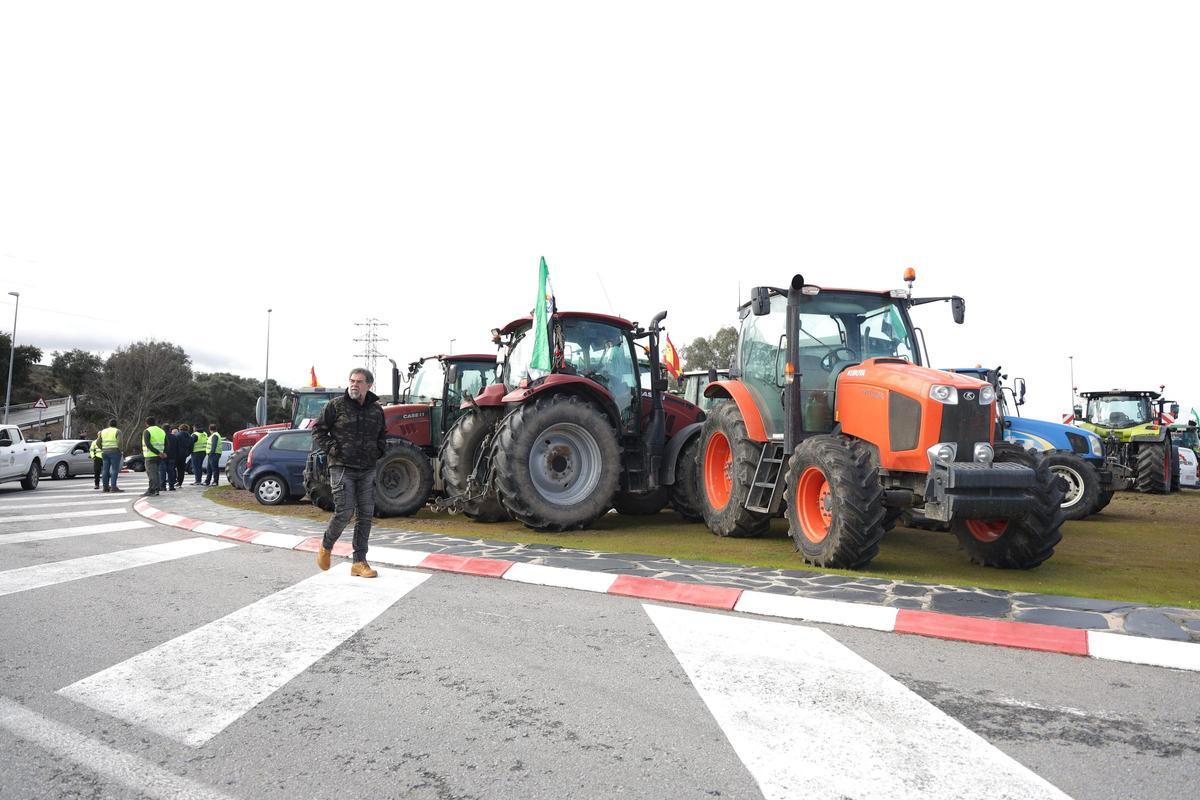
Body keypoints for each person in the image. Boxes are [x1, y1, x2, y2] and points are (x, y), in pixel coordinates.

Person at [313, 367, 388, 578]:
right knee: (345, 511)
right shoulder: (335, 405)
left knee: (365, 515)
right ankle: (326, 546)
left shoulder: (376, 410)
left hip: (367, 469)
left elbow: (383, 435)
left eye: (359, 381)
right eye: (352, 381)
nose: (354, 384)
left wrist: (380, 450)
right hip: (341, 466)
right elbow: (318, 430)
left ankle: (359, 562)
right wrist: (333, 449)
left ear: (369, 385)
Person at [142, 416, 167, 497]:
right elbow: (167, 443)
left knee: (151, 474)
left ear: (146, 423)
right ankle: (156, 489)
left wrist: (157, 452)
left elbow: (148, 444)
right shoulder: (161, 431)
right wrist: (164, 452)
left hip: (150, 455)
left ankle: (152, 490)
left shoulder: (147, 431)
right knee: (156, 473)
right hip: (160, 456)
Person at [98, 418, 124, 493]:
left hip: (105, 452)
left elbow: (98, 442)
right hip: (115, 452)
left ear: (109, 424)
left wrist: (102, 448)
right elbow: (119, 442)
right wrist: (120, 450)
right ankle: (113, 487)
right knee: (114, 469)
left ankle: (105, 487)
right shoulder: (117, 431)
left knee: (105, 470)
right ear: (116, 424)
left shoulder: (103, 431)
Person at [162, 426, 180, 491]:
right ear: (169, 430)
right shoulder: (174, 437)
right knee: (171, 471)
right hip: (172, 456)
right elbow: (177, 448)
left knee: (162, 472)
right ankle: (171, 486)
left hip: (163, 456)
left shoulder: (162, 437)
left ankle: (163, 486)